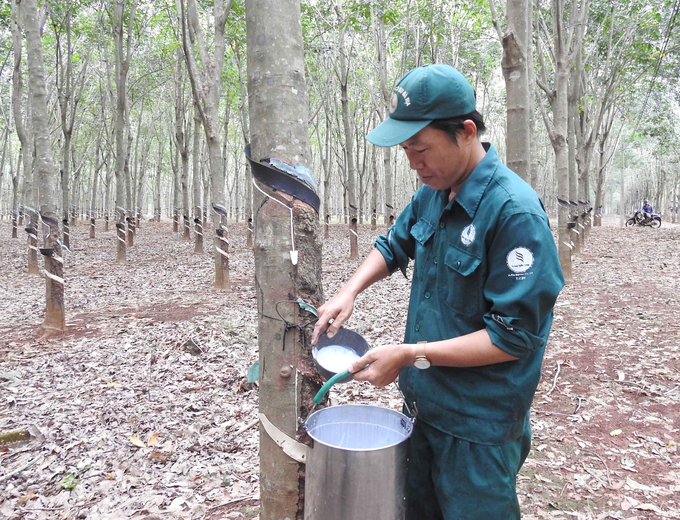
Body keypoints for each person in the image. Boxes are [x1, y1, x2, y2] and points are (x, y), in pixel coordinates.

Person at [311, 64, 565, 519]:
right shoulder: (434, 189)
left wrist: (410, 353)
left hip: (478, 426)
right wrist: (349, 291)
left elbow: (513, 337)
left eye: (421, 148)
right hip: (422, 409)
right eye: (407, 150)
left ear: (465, 132)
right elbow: (394, 243)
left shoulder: (514, 214)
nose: (414, 162)